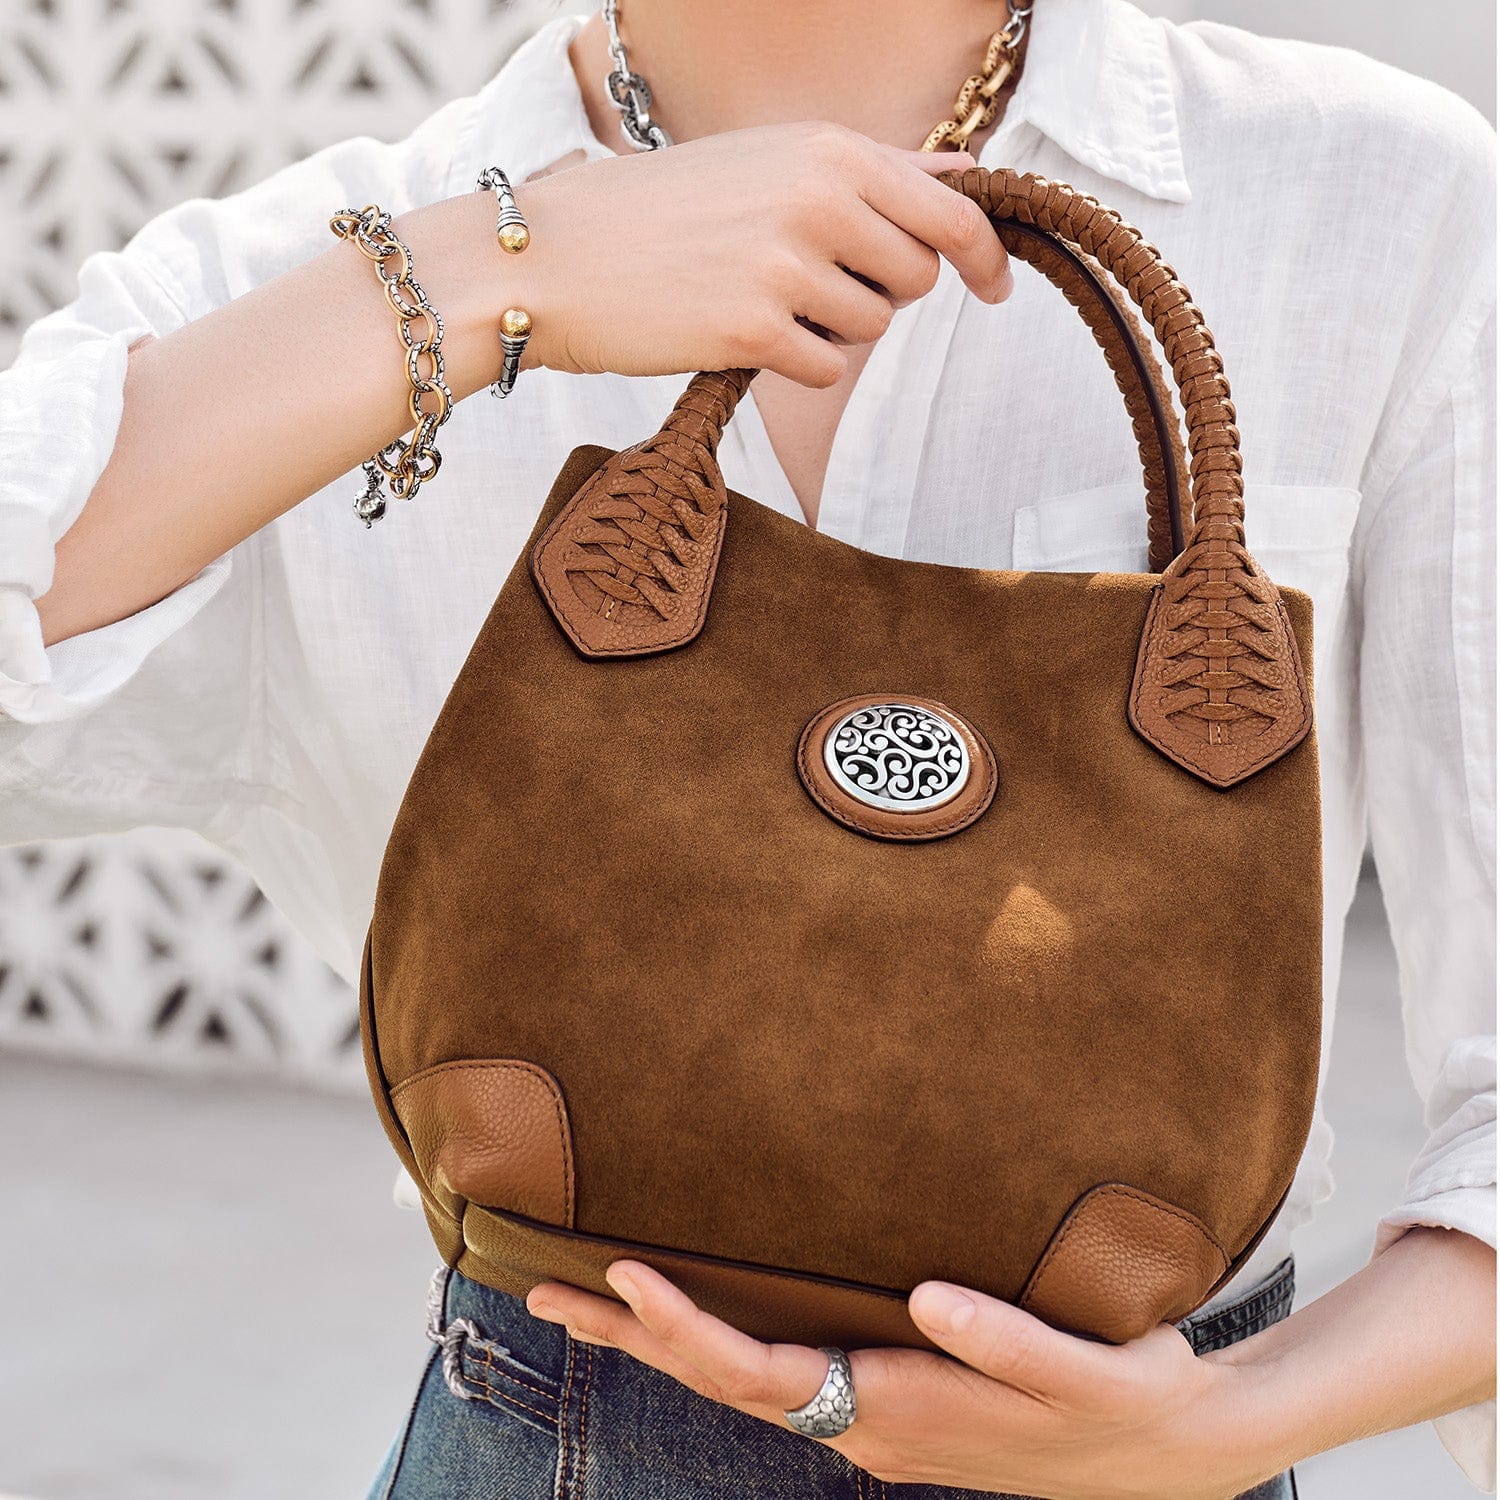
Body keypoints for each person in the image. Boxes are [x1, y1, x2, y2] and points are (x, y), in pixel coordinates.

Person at [0, 1, 1494, 1495]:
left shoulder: (1372, 194)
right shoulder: (341, 261)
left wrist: (1235, 1423)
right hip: (552, 1433)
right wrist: (497, 271)